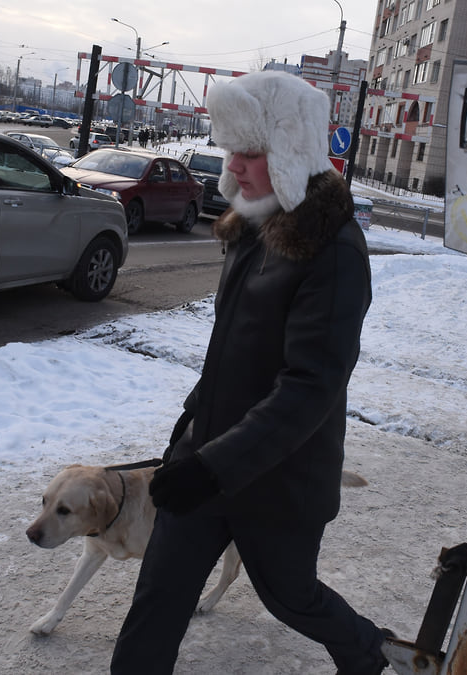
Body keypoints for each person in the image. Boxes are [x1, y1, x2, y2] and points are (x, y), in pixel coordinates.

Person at [110, 70, 388, 674]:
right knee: (156, 602)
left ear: (293, 154)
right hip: (205, 459)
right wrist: (187, 437)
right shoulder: (252, 226)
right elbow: (230, 352)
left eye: (251, 152)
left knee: (291, 598)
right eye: (231, 149)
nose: (233, 167)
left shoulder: (333, 252)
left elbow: (311, 386)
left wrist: (214, 468)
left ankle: (365, 650)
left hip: (279, 480)